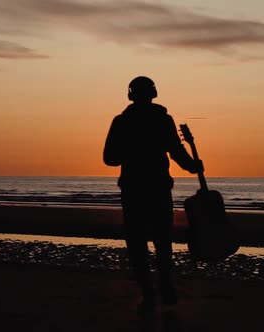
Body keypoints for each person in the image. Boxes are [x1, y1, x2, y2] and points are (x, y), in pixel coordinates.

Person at [103, 76, 203, 315]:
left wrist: (129, 150)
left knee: (137, 244)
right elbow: (176, 151)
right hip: (158, 188)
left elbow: (109, 158)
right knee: (162, 241)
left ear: (130, 95)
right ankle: (165, 285)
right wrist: (192, 166)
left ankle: (148, 294)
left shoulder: (121, 121)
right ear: (153, 93)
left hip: (133, 190)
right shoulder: (163, 120)